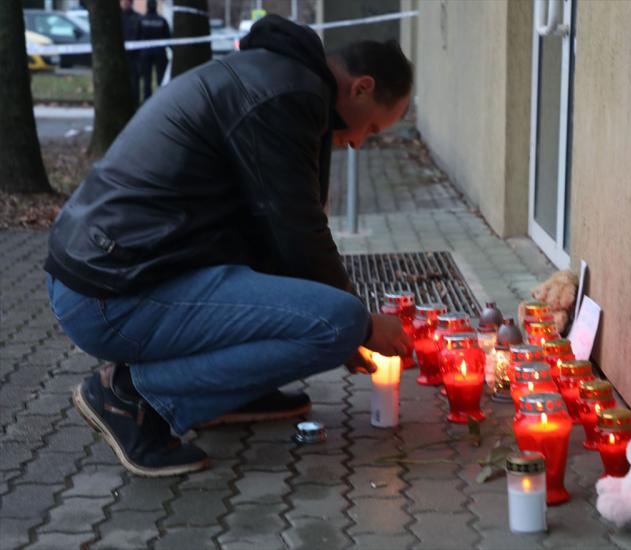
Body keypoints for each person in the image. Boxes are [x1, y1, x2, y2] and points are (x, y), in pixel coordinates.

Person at [45, 15, 413, 477]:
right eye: (373, 129)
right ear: (361, 88)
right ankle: (131, 398)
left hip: (108, 273)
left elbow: (271, 234)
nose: (359, 143)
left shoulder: (275, 74)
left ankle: (235, 393)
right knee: (336, 321)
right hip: (109, 294)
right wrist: (361, 324)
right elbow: (298, 231)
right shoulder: (289, 94)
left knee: (317, 308)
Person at [136, 0, 170, 100]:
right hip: (160, 53)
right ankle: (161, 100)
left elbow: (137, 37)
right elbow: (168, 38)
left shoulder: (141, 20)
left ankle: (147, 101)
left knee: (147, 80)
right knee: (160, 79)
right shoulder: (162, 20)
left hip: (145, 53)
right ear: (156, 7)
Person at [120, 0, 141, 104]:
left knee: (134, 80)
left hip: (134, 56)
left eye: (127, 1)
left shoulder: (137, 17)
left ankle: (135, 101)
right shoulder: (117, 18)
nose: (125, 3)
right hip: (121, 55)